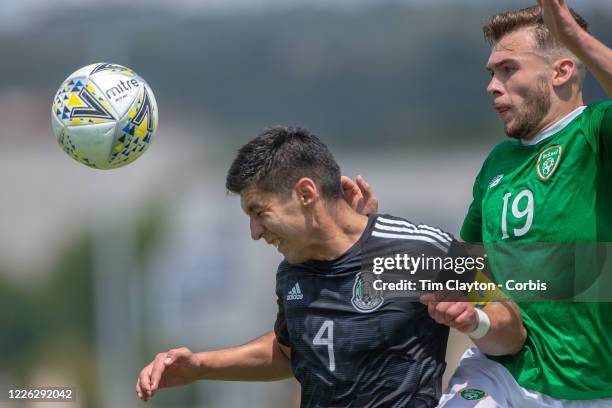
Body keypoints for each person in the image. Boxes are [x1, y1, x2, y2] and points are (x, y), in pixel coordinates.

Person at [344, 1, 612, 406]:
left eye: (508, 69)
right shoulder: (497, 164)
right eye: (491, 73)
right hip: (503, 371)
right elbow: (459, 266)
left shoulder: (596, 133)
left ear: (561, 71)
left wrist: (574, 39)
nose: (492, 85)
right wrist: (376, 236)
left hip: (595, 384)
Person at [136, 126, 481, 407]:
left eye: (259, 212)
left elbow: (519, 305)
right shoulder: (293, 273)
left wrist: (478, 334)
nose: (255, 233)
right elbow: (292, 352)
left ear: (305, 194)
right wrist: (199, 366)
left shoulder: (416, 250)